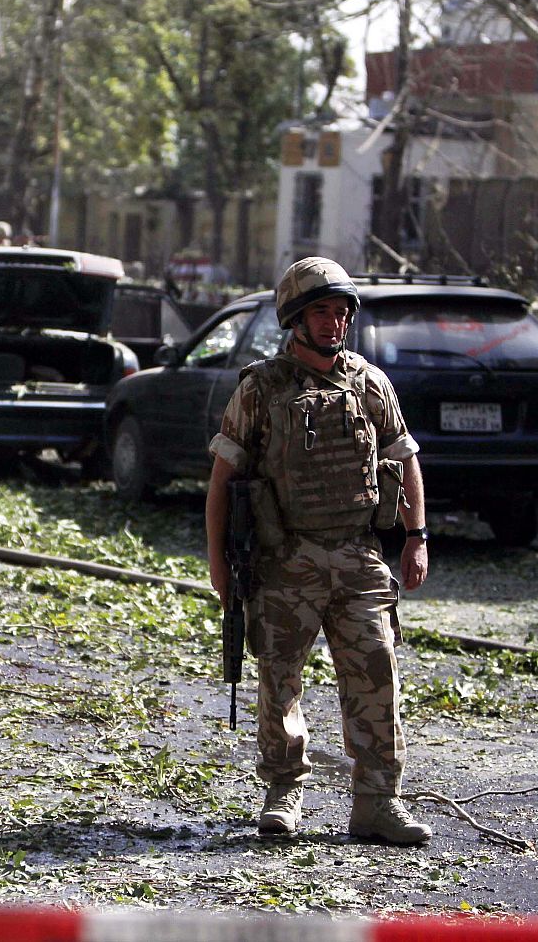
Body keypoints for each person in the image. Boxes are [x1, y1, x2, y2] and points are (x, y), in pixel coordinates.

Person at [204, 257, 433, 846]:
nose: (333, 324)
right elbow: (222, 484)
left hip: (359, 558)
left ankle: (378, 803)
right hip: (285, 561)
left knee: (376, 677)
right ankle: (282, 795)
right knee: (279, 681)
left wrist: (415, 537)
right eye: (320, 313)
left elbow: (405, 460)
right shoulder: (261, 389)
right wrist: (219, 565)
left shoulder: (370, 384)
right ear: (295, 319)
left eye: (340, 313)